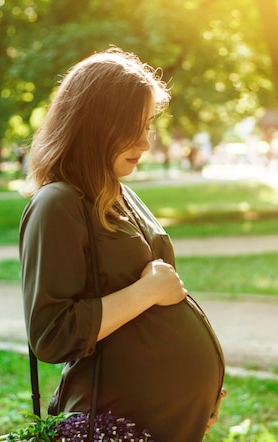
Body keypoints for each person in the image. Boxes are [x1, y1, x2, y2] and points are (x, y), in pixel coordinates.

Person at [18, 47, 226, 441]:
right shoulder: (57, 203)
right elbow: (51, 334)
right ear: (96, 123)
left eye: (148, 126)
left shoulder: (120, 194)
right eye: (135, 127)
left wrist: (195, 395)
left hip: (168, 423)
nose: (146, 143)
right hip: (117, 425)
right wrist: (146, 292)